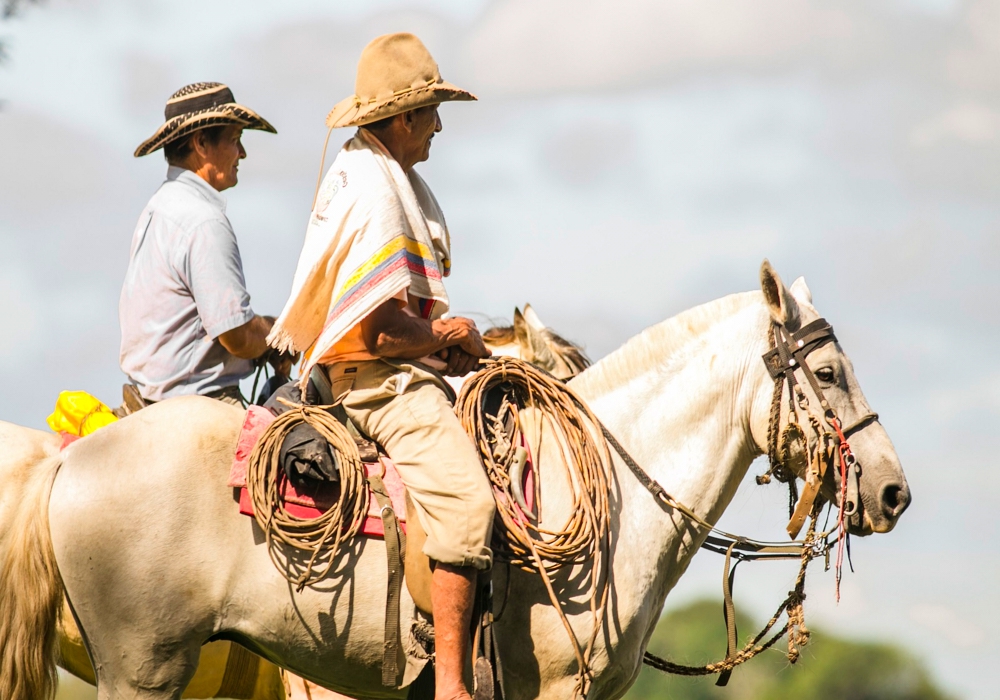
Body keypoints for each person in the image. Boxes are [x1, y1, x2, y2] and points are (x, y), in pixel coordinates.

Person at [267, 33, 494, 700]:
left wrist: (432, 341)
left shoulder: (366, 173)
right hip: (376, 383)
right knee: (468, 502)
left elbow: (390, 322)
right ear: (401, 119)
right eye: (430, 113)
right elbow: (379, 331)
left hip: (378, 367)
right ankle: (452, 682)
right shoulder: (376, 189)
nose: (438, 127)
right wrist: (443, 334)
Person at [120, 82, 285, 408]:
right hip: (199, 403)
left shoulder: (159, 206)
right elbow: (236, 335)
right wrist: (278, 334)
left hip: (148, 395)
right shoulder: (204, 221)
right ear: (200, 143)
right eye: (236, 140)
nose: (242, 153)